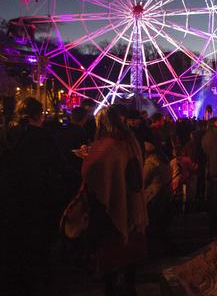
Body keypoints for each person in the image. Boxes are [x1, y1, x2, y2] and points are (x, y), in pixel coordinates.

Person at [77, 106, 148, 296]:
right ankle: (129, 286)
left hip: (111, 205)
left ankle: (111, 288)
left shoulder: (105, 146)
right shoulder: (131, 142)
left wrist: (86, 157)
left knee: (111, 251)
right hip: (132, 201)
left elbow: (91, 173)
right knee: (130, 250)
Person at [1, 97, 66, 295]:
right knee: (36, 244)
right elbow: (58, 166)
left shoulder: (6, 134)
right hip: (36, 198)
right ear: (39, 115)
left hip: (9, 197)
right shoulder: (41, 137)